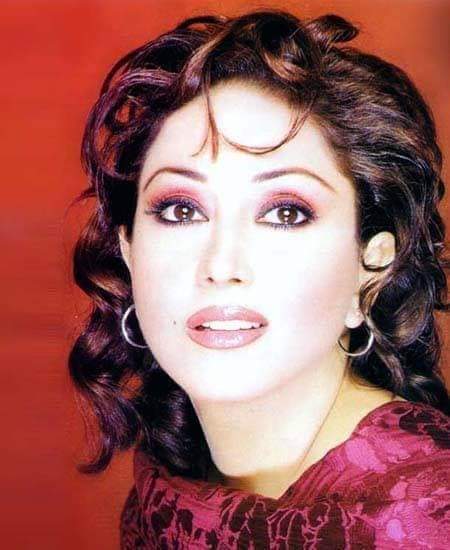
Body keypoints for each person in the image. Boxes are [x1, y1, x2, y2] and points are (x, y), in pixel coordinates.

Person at [69, 9, 450, 549]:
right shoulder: (165, 494)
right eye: (181, 210)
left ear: (371, 268)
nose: (221, 265)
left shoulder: (425, 518)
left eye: (285, 213)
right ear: (129, 253)